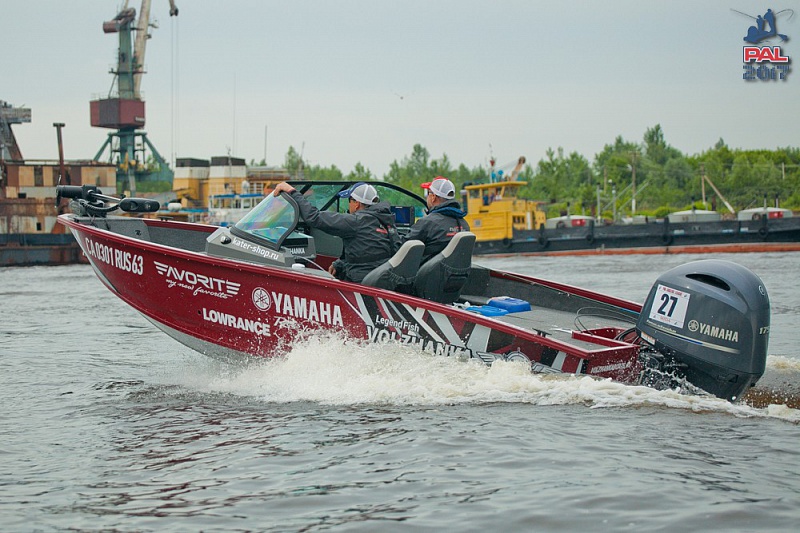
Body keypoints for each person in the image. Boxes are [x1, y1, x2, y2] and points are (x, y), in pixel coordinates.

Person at [272, 181, 400, 283]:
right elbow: (367, 251)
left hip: (360, 283)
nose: (348, 205)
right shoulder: (386, 221)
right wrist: (340, 263)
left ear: (356, 204)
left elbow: (313, 217)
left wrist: (292, 191)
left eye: (349, 200)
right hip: (379, 278)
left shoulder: (355, 221)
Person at [404, 176, 470, 265]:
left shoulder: (427, 223)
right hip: (458, 277)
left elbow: (402, 246)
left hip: (428, 277)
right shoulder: (464, 225)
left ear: (433, 197)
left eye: (428, 193)